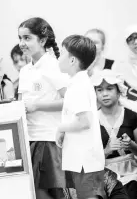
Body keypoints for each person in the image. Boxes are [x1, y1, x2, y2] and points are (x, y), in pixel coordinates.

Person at [17, 17, 71, 199]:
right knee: (34, 192)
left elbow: (70, 101)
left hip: (49, 139)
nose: (22, 43)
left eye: (27, 38)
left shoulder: (54, 66)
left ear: (42, 40)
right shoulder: (25, 71)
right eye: (20, 38)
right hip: (29, 139)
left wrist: (36, 106)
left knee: (52, 193)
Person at [56, 35, 106, 199]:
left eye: (61, 53)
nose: (58, 57)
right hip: (83, 159)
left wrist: (61, 128)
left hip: (85, 160)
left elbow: (85, 121)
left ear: (72, 61)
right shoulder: (77, 82)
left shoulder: (78, 86)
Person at [92, 69, 137, 198]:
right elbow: (88, 156)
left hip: (131, 171)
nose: (104, 94)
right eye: (100, 90)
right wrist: (106, 151)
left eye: (109, 89)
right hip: (103, 172)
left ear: (119, 92)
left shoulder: (132, 116)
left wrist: (131, 145)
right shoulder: (91, 120)